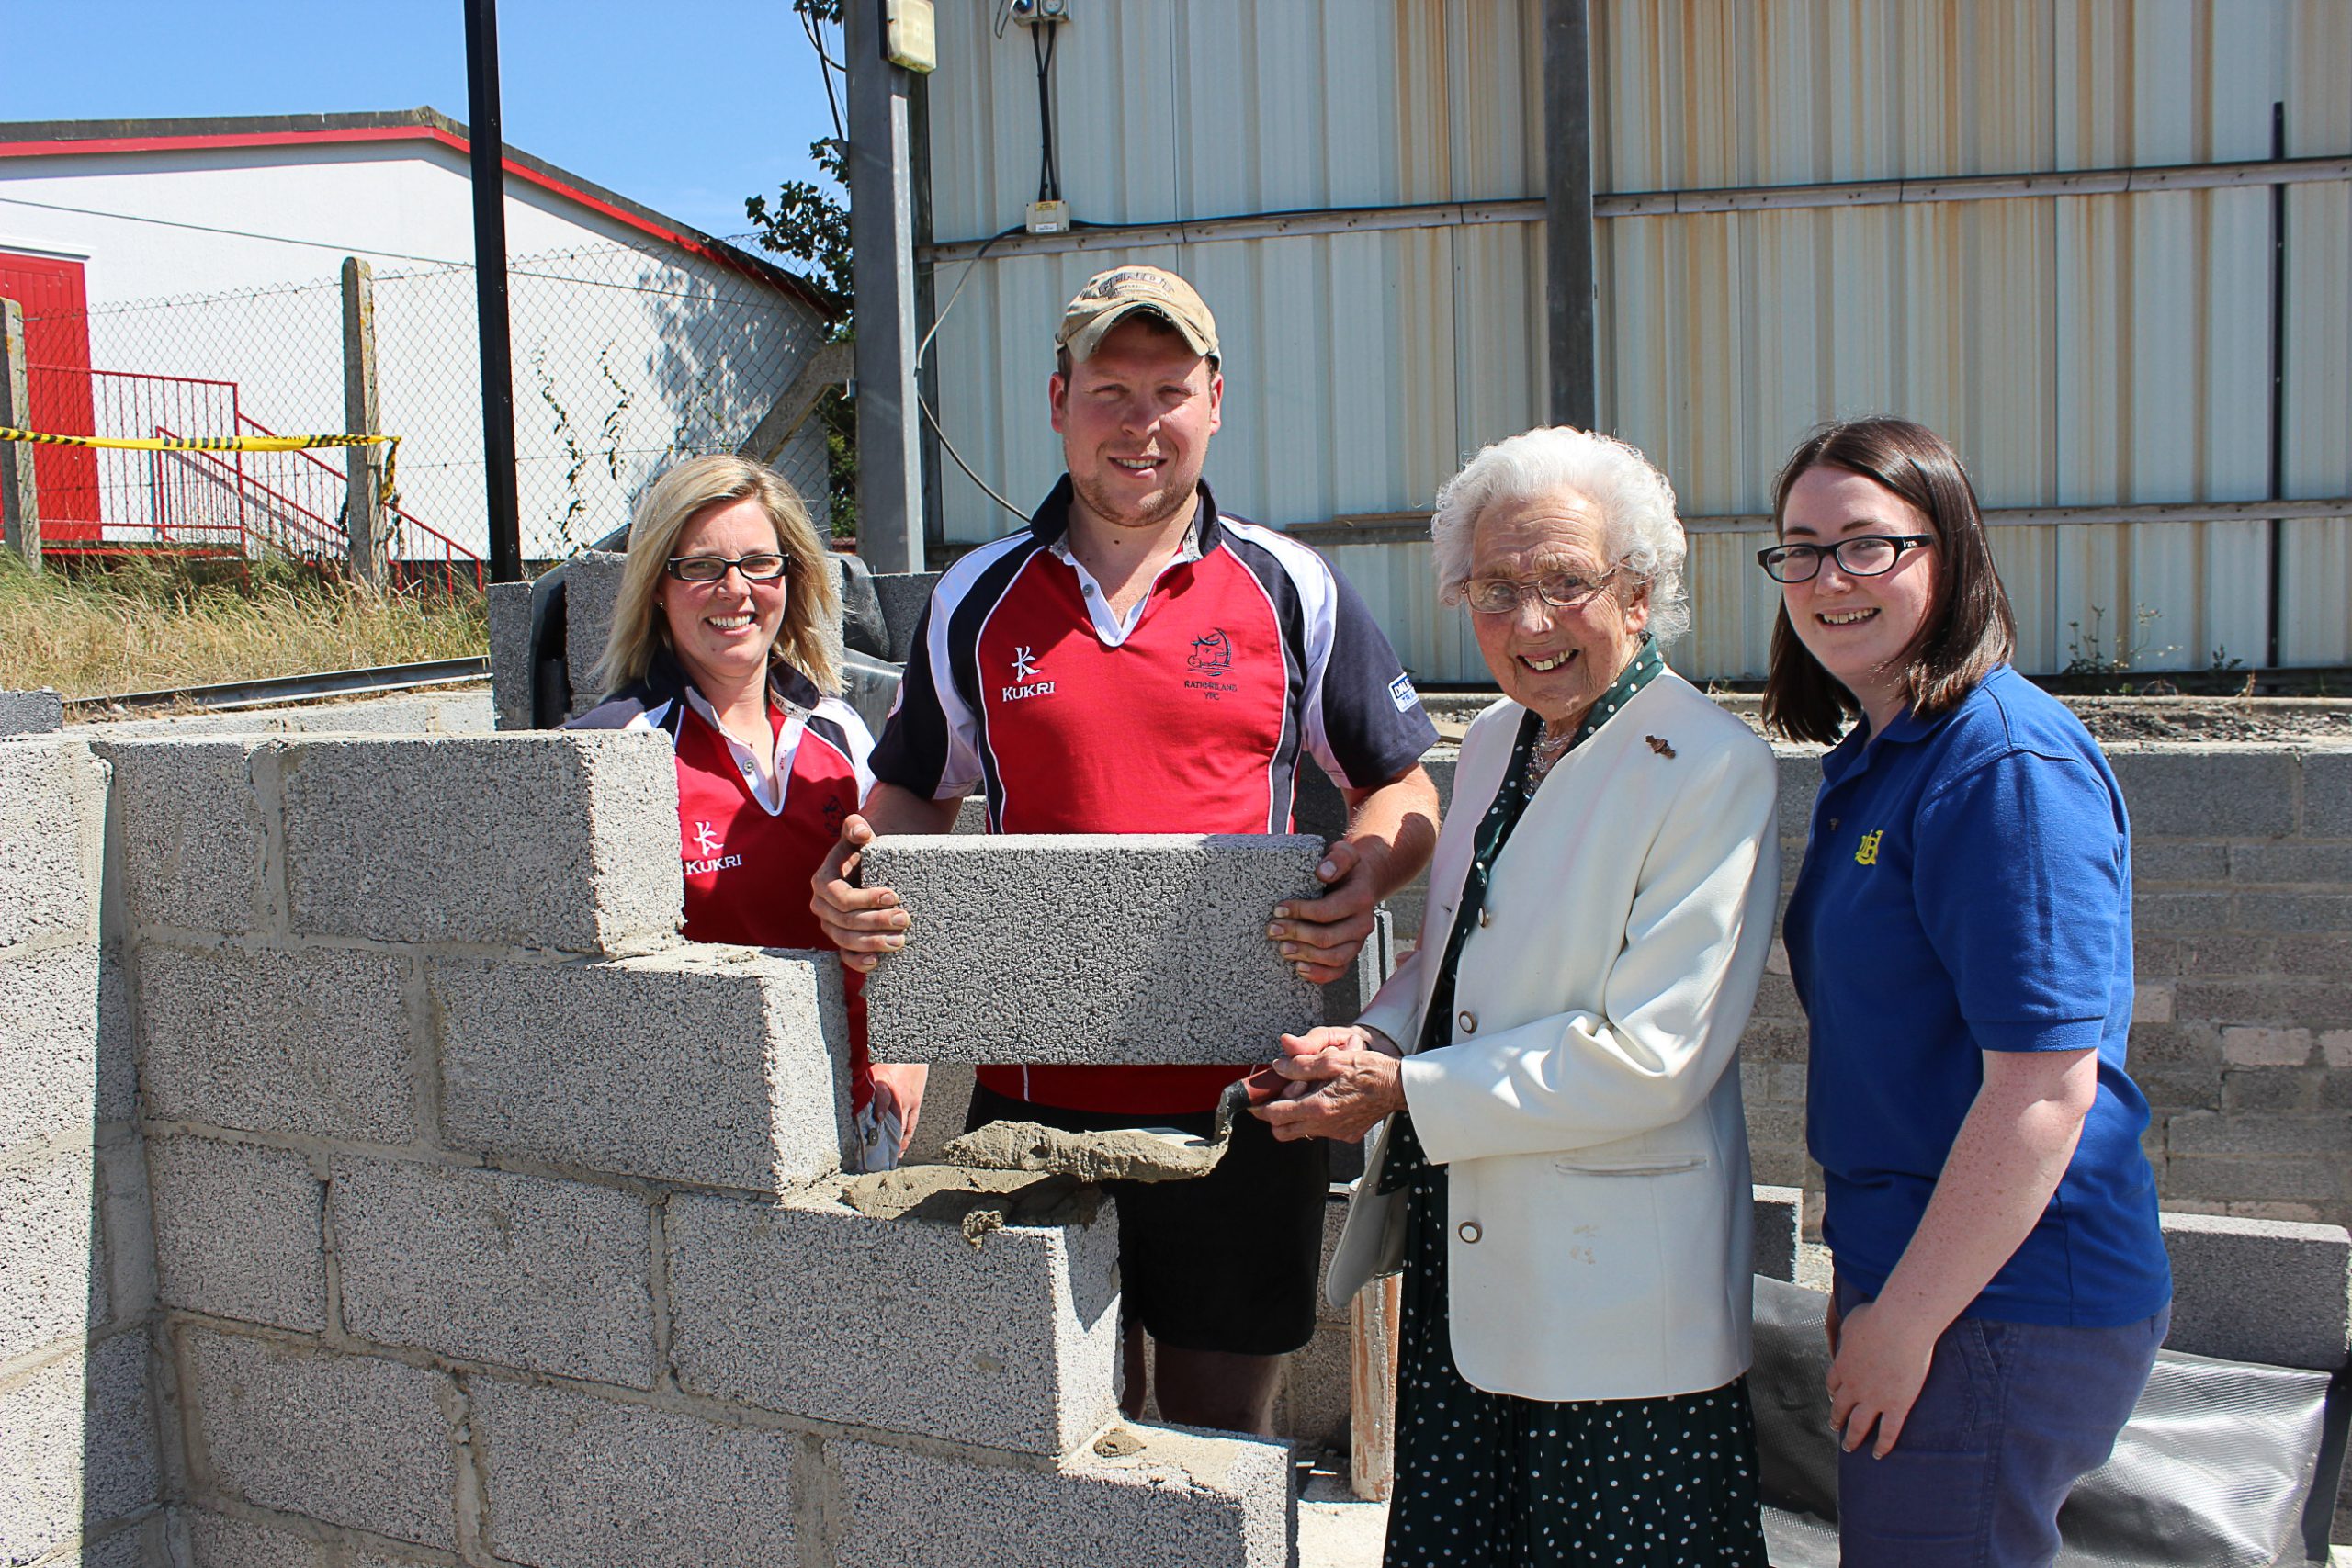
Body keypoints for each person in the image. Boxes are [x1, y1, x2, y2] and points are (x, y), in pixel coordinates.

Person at [811, 265, 1442, 1436]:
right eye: (1109, 389)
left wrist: (1368, 864)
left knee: (1212, 1441)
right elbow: (907, 789)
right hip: (1033, 1098)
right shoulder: (975, 598)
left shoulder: (1290, 587)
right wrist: (867, 880)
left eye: (1166, 389)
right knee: (1062, 1437)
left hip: (1245, 1100)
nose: (1138, 423)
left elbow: (1401, 781)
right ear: (1058, 402)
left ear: (1214, 401)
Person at [1265, 426, 1779, 1566]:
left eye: (1565, 583)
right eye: (1495, 588)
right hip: (1475, 1257)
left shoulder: (1709, 766)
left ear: (1638, 595)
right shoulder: (1497, 737)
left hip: (1617, 1296)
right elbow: (1453, 953)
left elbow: (1655, 1054)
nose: (1530, 622)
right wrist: (1366, 1033)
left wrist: (1401, 1087)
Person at [1758, 417, 2172, 1566]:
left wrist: (1912, 1317)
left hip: (2003, 1298)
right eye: (1799, 548)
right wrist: (1875, 1282)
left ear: (1948, 553)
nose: (1827, 579)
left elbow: (2042, 1088)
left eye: (1866, 545)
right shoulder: (1890, 754)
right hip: (1934, 1272)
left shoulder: (2004, 767)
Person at [571, 454, 922, 1171]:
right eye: (700, 567)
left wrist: (909, 1052)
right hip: (705, 1149)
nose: (735, 590)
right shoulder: (612, 751)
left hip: (854, 1117)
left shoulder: (841, 730)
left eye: (760, 563)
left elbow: (905, 906)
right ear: (656, 590)